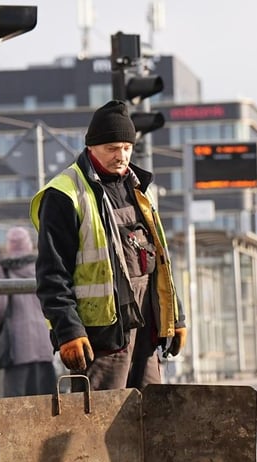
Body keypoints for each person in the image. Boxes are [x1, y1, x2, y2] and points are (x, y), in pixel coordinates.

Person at [31, 100, 186, 390]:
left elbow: (161, 262)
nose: (121, 156)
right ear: (92, 147)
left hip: (146, 332)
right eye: (112, 148)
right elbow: (53, 273)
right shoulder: (64, 194)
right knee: (100, 425)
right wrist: (69, 331)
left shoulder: (138, 189)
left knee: (148, 416)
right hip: (101, 339)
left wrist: (175, 316)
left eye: (127, 147)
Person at [0, 226, 58, 397]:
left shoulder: (4, 270)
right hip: (43, 338)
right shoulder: (40, 266)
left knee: (15, 396)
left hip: (16, 342)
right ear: (29, 244)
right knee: (45, 395)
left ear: (9, 246)